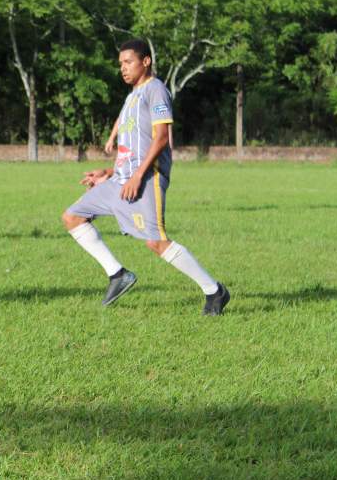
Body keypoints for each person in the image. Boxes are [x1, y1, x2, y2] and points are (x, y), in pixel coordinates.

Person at [62, 38, 230, 315]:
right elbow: (132, 146)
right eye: (120, 64)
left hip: (146, 179)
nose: (123, 69)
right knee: (72, 217)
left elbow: (161, 138)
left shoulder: (156, 90)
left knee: (156, 242)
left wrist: (138, 177)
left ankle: (214, 291)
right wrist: (109, 172)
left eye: (128, 62)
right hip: (121, 179)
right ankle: (118, 275)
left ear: (146, 61)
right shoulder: (131, 96)